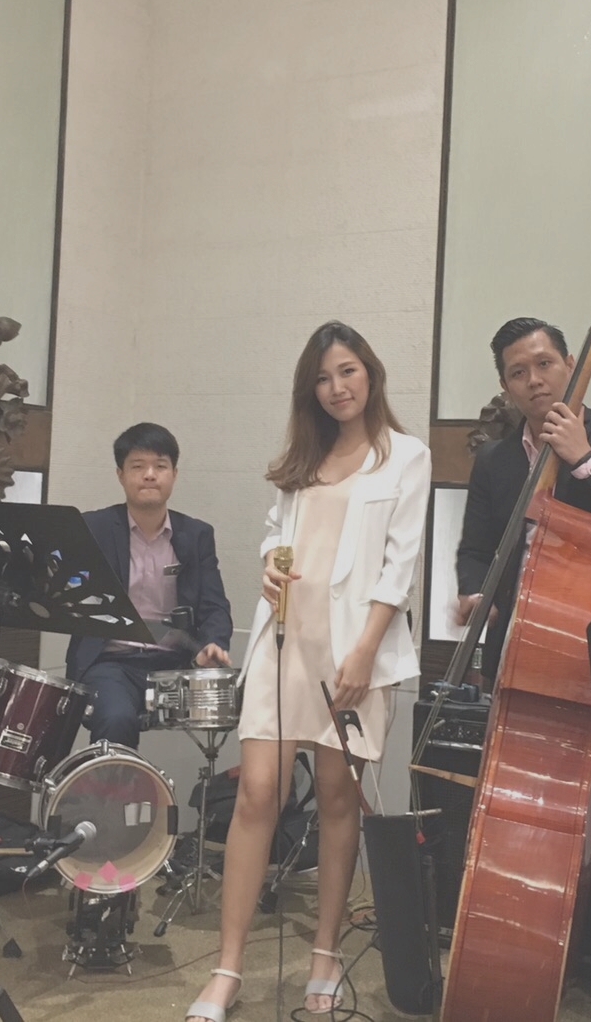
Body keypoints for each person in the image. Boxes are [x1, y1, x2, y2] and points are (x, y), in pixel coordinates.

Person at [186, 322, 431, 1022]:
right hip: (283, 641)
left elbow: (401, 565)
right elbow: (279, 532)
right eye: (323, 378)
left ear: (370, 373)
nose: (336, 387)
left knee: (336, 798)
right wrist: (270, 561)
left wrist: (366, 652)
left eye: (347, 371)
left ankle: (325, 954)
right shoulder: (304, 456)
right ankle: (228, 968)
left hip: (354, 648)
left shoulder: (406, 456)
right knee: (257, 792)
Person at [454, 317, 591, 1022]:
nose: (535, 380)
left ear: (571, 363)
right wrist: (475, 591)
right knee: (532, 814)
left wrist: (585, 461)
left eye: (545, 363)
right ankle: (537, 950)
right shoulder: (494, 461)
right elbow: (476, 550)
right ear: (506, 385)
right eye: (518, 372)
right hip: (526, 652)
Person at [64, 423, 233, 750]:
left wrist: (214, 643)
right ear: (120, 475)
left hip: (173, 664)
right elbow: (71, 594)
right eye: (138, 466)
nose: (150, 475)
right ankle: (113, 785)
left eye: (160, 466)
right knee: (116, 718)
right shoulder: (93, 527)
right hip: (110, 662)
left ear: (174, 474)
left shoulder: (196, 535)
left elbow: (214, 606)